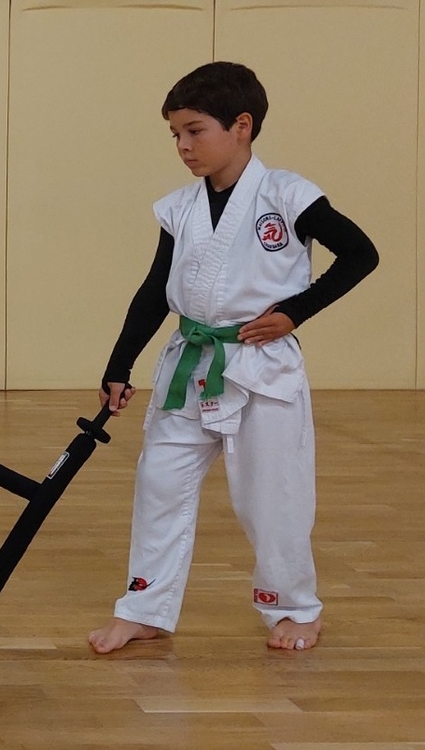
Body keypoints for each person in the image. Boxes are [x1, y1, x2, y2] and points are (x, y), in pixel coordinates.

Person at [87, 62, 378, 654]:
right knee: (159, 484)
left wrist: (298, 310)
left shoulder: (288, 195)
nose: (183, 146)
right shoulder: (179, 207)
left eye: (195, 131)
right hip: (189, 362)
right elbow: (153, 291)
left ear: (241, 126)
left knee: (273, 495)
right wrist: (119, 365)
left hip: (260, 366)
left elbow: (360, 253)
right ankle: (145, 607)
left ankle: (294, 608)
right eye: (175, 135)